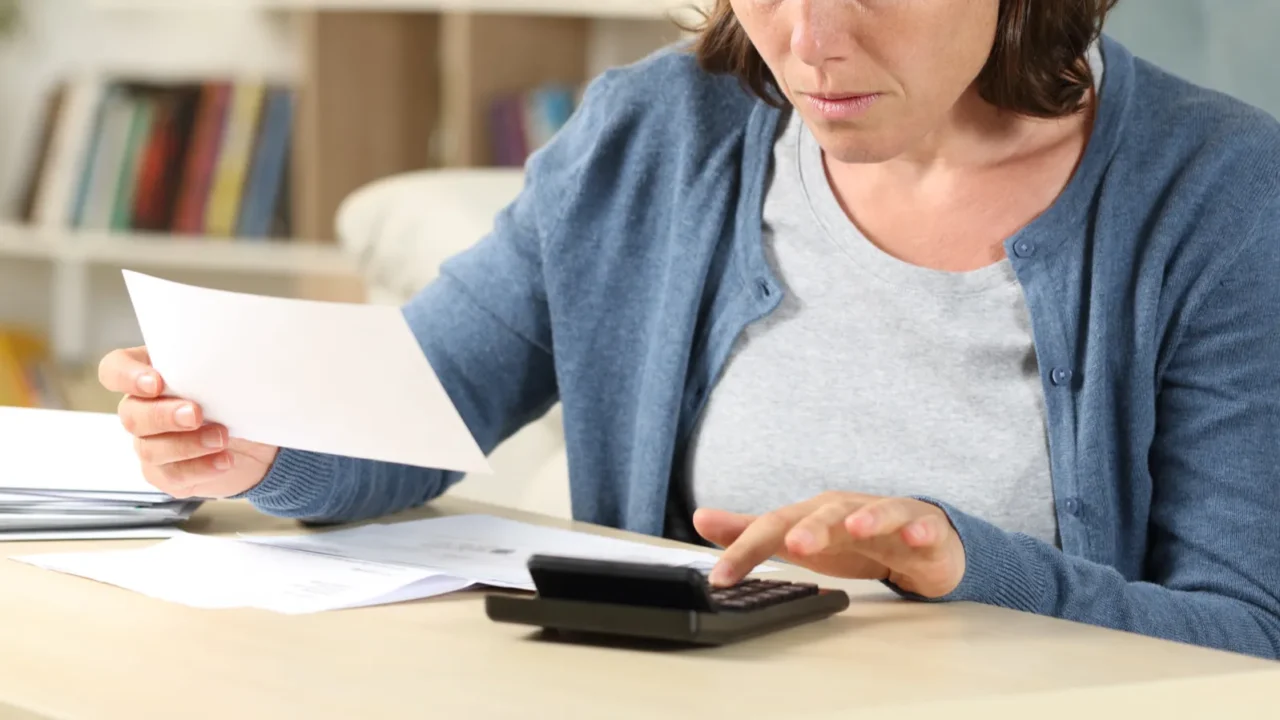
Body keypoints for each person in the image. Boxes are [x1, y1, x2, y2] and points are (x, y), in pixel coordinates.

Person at [99, 0, 1280, 659]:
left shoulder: (1220, 194)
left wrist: (965, 565)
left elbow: (1246, 634)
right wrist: (259, 441)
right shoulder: (652, 133)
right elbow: (423, 405)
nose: (810, 43)